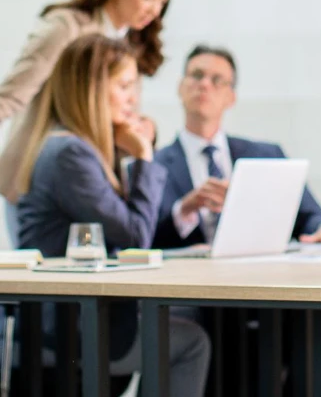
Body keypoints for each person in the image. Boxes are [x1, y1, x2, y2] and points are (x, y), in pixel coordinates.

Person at [15, 33, 210, 394]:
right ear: (90, 89)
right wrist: (145, 157)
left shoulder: (77, 149)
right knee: (193, 342)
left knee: (188, 317)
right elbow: (134, 235)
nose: (133, 99)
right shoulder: (70, 154)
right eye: (123, 86)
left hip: (72, 315)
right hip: (66, 325)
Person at [0, 0, 178, 242]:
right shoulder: (66, 28)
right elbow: (11, 96)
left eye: (162, 2)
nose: (154, 11)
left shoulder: (130, 44)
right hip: (40, 177)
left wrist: (138, 131)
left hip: (93, 179)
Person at [152, 45, 321, 250]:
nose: (205, 84)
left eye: (217, 80)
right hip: (186, 278)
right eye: (197, 75)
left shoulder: (267, 156)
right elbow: (142, 239)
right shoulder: (150, 165)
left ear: (231, 97)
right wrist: (183, 210)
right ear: (180, 87)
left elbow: (309, 215)